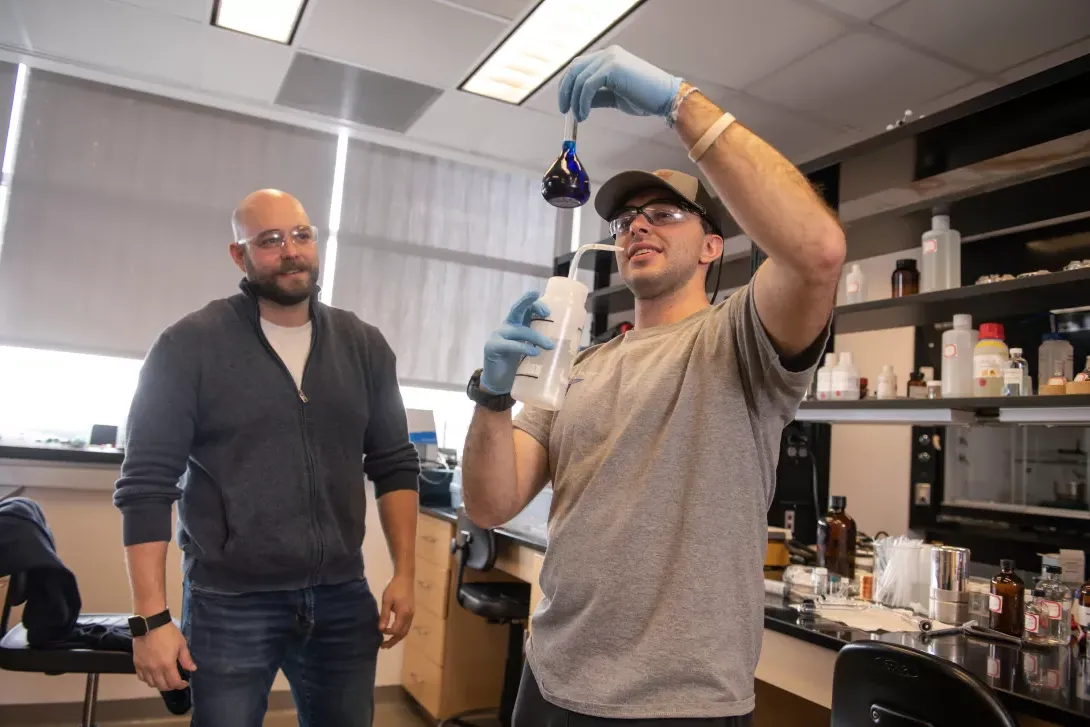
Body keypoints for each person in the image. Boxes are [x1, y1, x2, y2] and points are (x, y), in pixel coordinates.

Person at [461, 47, 846, 725]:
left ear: (710, 247)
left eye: (664, 212)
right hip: (550, 682)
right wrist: (492, 397)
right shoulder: (579, 366)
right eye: (627, 217)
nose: (636, 223)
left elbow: (817, 251)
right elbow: (490, 503)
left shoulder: (741, 343)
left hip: (679, 706)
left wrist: (678, 102)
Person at [113, 189, 421, 727]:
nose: (291, 251)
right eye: (269, 240)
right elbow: (145, 485)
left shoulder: (365, 346)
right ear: (240, 255)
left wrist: (404, 574)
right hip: (229, 598)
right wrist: (151, 618)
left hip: (342, 597)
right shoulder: (188, 345)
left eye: (301, 235)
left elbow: (394, 464)